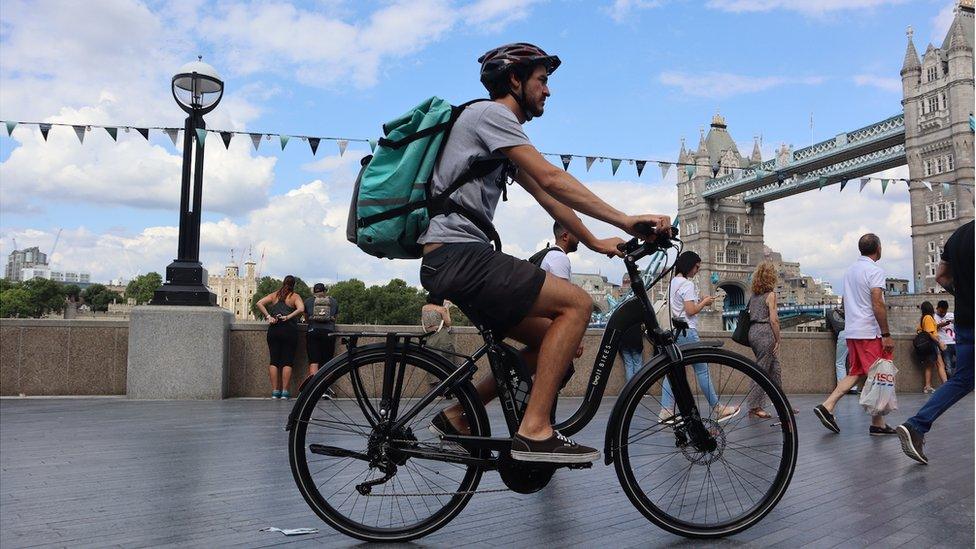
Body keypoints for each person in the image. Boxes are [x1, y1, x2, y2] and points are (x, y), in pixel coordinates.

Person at [418, 42, 672, 464]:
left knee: (554, 346)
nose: (548, 91)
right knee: (578, 303)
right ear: (515, 80)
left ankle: (459, 413)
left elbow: (550, 200)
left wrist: (594, 241)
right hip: (459, 255)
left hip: (456, 259)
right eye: (542, 81)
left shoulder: (497, 134)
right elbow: (553, 178)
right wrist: (626, 220)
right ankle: (535, 431)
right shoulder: (492, 115)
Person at [899, 220, 973, 464]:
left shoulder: (958, 236)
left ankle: (916, 425)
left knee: (962, 379)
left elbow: (941, 276)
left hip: (966, 320)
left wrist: (963, 294)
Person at [814, 234, 896, 436]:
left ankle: (829, 406)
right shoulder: (875, 271)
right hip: (870, 332)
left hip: (852, 331)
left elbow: (846, 301)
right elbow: (878, 303)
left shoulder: (850, 272)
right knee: (878, 374)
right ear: (878, 248)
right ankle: (875, 422)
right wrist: (885, 333)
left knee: (857, 371)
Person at [660, 251, 739, 422]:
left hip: (674, 331)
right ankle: (718, 408)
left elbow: (679, 306)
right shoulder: (687, 284)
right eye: (696, 267)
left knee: (673, 371)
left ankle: (666, 410)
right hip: (688, 331)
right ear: (689, 264)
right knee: (702, 370)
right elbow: (690, 311)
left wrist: (699, 299)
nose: (697, 270)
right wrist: (704, 303)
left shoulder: (673, 282)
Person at [745, 262, 793, 417]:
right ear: (771, 277)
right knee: (761, 370)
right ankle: (754, 407)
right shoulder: (771, 295)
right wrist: (777, 339)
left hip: (753, 332)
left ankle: (783, 404)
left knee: (775, 370)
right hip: (765, 333)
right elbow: (774, 320)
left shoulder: (754, 296)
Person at [256, 275, 304, 400]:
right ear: (294, 285)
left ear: (283, 283)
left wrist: (268, 317)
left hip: (274, 330)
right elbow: (301, 309)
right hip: (289, 331)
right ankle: (285, 392)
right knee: (287, 361)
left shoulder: (274, 295)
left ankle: (275, 391)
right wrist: (289, 317)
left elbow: (259, 303)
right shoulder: (294, 296)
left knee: (274, 361)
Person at [303, 283, 339, 380]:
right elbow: (335, 318)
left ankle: (314, 387)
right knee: (327, 362)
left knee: (314, 361)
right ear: (325, 291)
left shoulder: (308, 301)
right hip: (329, 332)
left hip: (313, 331)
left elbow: (306, 318)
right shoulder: (333, 301)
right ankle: (325, 388)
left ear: (314, 291)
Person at [826, 299, 858, 394]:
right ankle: (853, 387)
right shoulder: (853, 312)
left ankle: (842, 387)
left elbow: (828, 328)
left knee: (840, 362)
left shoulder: (829, 312)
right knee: (853, 362)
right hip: (855, 333)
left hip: (843, 334)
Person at [915, 301, 947, 394]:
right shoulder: (929, 317)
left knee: (929, 365)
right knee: (940, 364)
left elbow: (920, 329)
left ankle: (927, 386)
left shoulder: (923, 318)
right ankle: (946, 385)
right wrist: (939, 342)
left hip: (926, 345)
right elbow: (930, 332)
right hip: (932, 343)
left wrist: (939, 325)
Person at [934, 300, 956, 377]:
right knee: (948, 367)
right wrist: (940, 325)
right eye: (941, 312)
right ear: (937, 308)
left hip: (955, 342)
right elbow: (930, 329)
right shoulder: (933, 317)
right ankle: (951, 383)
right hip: (944, 344)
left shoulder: (951, 315)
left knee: (962, 363)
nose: (943, 314)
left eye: (945, 312)